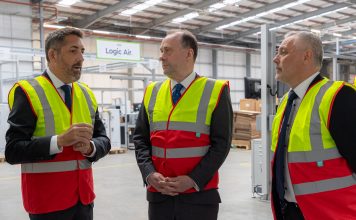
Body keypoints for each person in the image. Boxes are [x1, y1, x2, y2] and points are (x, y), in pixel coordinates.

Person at [5, 27, 111, 220]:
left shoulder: (86, 94)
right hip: (47, 204)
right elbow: (13, 151)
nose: (81, 58)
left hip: (84, 200)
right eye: (73, 51)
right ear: (53, 55)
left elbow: (104, 139)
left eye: (82, 51)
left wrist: (91, 148)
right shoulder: (28, 92)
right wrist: (59, 141)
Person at [134, 30, 232, 220]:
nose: (161, 57)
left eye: (167, 51)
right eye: (161, 51)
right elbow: (140, 139)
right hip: (159, 195)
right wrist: (149, 173)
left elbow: (222, 144)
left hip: (199, 196)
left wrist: (193, 179)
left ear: (189, 54)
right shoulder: (152, 92)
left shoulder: (216, 90)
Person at [271, 31, 356, 220]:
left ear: (306, 56)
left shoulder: (338, 97)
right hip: (290, 211)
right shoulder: (286, 102)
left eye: (283, 52)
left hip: (333, 213)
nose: (276, 59)